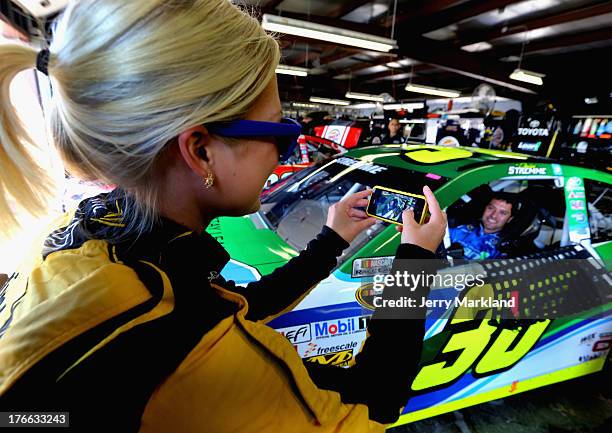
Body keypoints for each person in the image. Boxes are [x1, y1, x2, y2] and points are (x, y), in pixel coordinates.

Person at [0, 1, 447, 432]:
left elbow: (239, 304)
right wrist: (413, 265)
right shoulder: (182, 348)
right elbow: (372, 407)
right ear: (201, 151)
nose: (285, 153)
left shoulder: (87, 236)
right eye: (280, 132)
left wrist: (330, 242)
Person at [449, 193, 514, 260]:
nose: (493, 216)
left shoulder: (502, 248)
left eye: (502, 213)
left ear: (509, 219)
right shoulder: (460, 225)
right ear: (485, 208)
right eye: (490, 208)